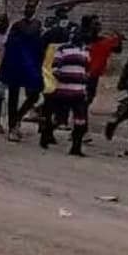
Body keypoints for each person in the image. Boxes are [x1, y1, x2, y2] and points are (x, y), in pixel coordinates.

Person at [40, 19, 93, 156]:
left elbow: (87, 68)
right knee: (59, 119)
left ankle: (76, 148)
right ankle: (46, 134)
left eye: (81, 34)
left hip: (79, 92)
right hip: (63, 91)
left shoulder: (86, 51)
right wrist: (65, 77)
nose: (79, 36)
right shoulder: (62, 49)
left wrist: (84, 79)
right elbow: (55, 66)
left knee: (80, 120)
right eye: (77, 33)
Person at [0, 0, 44, 142]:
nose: (28, 10)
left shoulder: (36, 25)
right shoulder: (18, 25)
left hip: (31, 64)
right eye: (27, 7)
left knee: (34, 94)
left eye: (31, 8)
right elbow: (10, 45)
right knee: (13, 97)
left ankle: (18, 117)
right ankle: (13, 126)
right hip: (17, 64)